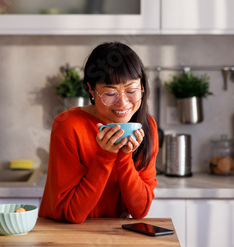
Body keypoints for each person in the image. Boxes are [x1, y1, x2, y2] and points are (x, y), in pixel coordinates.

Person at [39, 42, 159, 224]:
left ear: (142, 87)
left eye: (131, 91)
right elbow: (72, 214)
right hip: (62, 234)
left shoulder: (146, 126)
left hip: (114, 236)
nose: (123, 103)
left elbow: (140, 210)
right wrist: (106, 156)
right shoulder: (68, 126)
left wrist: (125, 156)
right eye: (110, 94)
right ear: (91, 89)